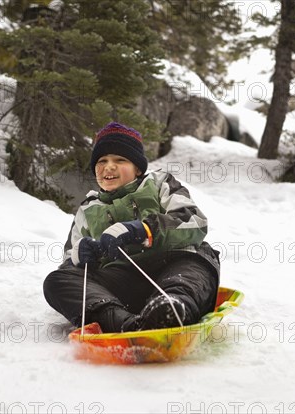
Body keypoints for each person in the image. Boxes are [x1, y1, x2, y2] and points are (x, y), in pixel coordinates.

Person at [43, 122, 221, 333]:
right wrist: (80, 256)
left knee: (191, 270)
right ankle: (124, 323)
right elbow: (68, 261)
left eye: (120, 160)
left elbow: (194, 221)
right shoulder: (88, 209)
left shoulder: (159, 183)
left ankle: (170, 310)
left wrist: (143, 230)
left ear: (137, 168)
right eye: (102, 161)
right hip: (123, 281)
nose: (109, 166)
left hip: (174, 262)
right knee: (57, 281)